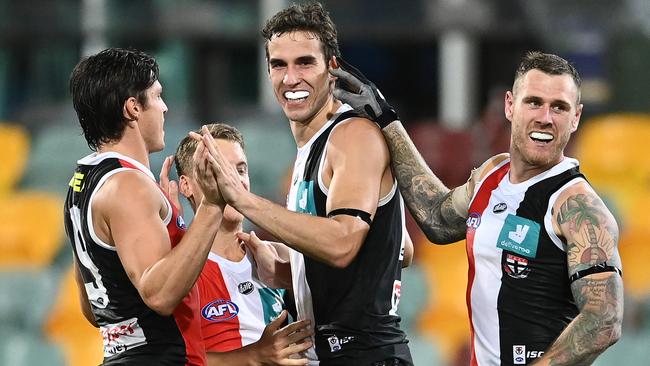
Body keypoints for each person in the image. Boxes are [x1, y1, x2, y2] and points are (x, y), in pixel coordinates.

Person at [332, 51, 624, 365]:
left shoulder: (578, 208)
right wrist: (386, 119)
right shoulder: (491, 174)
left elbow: (603, 320)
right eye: (534, 102)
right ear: (510, 105)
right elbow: (437, 218)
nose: (546, 117)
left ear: (576, 117)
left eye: (559, 107)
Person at [191, 2, 414, 365]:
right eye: (278, 65)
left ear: (333, 68)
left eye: (305, 63)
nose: (290, 78)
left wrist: (242, 199)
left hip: (366, 354)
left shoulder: (352, 135)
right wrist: (288, 270)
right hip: (333, 353)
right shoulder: (309, 148)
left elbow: (343, 244)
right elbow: (399, 248)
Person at [63, 47, 225, 365]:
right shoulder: (128, 186)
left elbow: (94, 309)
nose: (164, 108)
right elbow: (160, 296)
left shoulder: (81, 184)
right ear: (133, 108)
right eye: (158, 96)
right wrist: (212, 205)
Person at [171, 123, 313, 365]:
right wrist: (254, 356)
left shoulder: (276, 254)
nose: (232, 181)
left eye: (240, 170)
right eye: (217, 170)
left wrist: (283, 273)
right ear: (186, 185)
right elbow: (166, 358)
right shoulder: (175, 269)